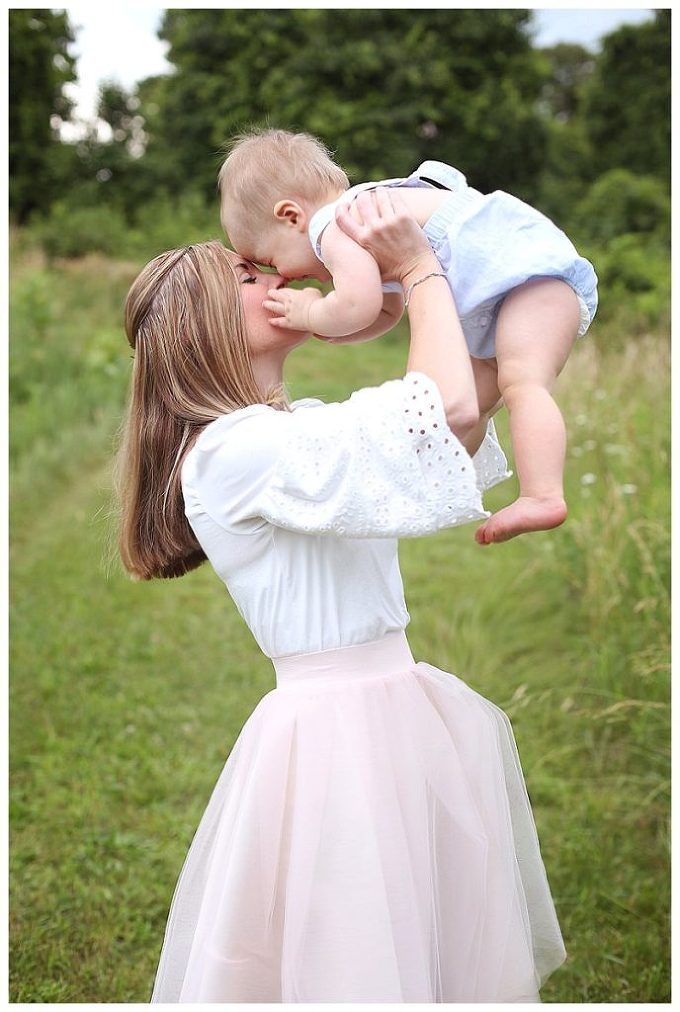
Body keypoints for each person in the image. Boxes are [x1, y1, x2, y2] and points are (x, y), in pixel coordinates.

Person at [116, 188, 566, 1003]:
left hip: (399, 704)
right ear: (208, 323)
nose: (277, 277)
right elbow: (446, 406)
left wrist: (516, 287)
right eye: (248, 277)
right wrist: (418, 268)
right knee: (354, 949)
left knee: (421, 933)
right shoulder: (231, 453)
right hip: (334, 735)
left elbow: (459, 413)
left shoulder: (291, 427)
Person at [219, 127, 599, 546]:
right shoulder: (365, 219)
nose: (284, 275)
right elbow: (385, 309)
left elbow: (359, 304)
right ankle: (431, 483)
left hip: (527, 279)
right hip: (507, 292)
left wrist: (312, 312)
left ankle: (541, 494)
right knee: (472, 399)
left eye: (270, 260)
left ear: (291, 216)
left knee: (523, 382)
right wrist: (337, 330)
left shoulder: (334, 224)